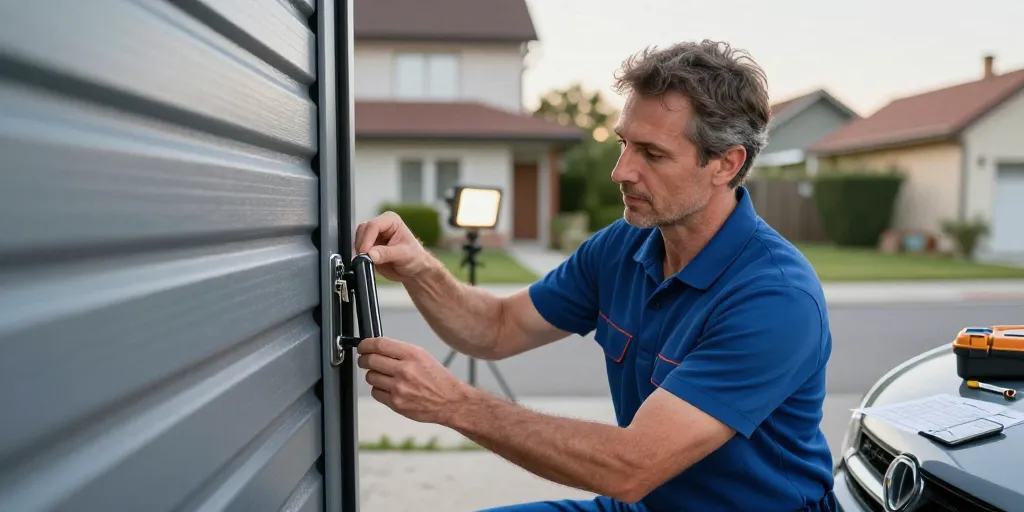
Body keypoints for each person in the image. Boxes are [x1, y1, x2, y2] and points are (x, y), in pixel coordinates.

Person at [353, 39, 836, 512]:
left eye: (652, 153)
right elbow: (497, 328)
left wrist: (453, 402)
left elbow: (630, 467)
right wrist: (419, 268)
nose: (621, 171)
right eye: (625, 143)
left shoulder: (776, 297)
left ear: (726, 163)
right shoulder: (625, 245)